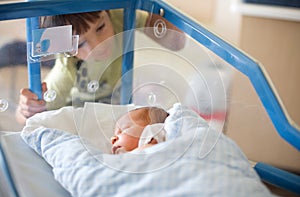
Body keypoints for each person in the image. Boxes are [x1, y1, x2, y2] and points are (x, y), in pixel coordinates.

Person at [16, 9, 185, 125]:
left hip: (118, 99)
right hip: (80, 109)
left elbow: (178, 42)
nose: (99, 46)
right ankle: (15, 49)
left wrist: (150, 12)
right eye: (80, 43)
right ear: (65, 48)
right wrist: (28, 109)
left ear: (108, 13)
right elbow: (26, 120)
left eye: (101, 28)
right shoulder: (67, 67)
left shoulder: (123, 15)